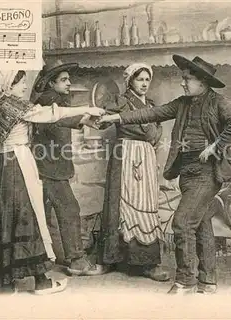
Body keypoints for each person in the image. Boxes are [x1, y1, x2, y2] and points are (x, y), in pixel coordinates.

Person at [98, 55, 231, 294]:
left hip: (207, 173)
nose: (183, 83)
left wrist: (216, 146)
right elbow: (152, 114)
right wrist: (117, 117)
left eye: (187, 79)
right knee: (201, 224)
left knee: (182, 223)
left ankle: (186, 281)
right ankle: (208, 281)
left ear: (202, 81)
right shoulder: (182, 103)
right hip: (187, 173)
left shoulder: (219, 102)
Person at [0, 70, 105, 294]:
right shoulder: (16, 106)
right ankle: (41, 282)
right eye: (21, 83)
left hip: (2, 167)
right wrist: (87, 109)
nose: (25, 86)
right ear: (9, 86)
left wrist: (1, 149)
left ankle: (5, 282)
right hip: (20, 164)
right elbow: (52, 114)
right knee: (28, 215)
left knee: (5, 218)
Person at [30, 60, 105, 276]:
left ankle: (45, 258)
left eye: (68, 79)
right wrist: (85, 119)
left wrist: (86, 122)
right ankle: (76, 261)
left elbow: (63, 118)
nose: (69, 83)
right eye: (63, 80)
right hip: (49, 167)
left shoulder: (53, 100)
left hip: (46, 165)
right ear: (50, 83)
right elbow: (59, 117)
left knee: (44, 213)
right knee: (69, 209)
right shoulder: (48, 100)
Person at [96, 63, 169, 282]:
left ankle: (147, 264)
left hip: (145, 157)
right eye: (140, 79)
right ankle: (109, 260)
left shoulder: (153, 106)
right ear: (130, 81)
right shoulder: (121, 101)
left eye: (147, 79)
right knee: (118, 205)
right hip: (125, 154)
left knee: (145, 205)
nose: (144, 84)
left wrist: (153, 156)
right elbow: (100, 122)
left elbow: (156, 135)